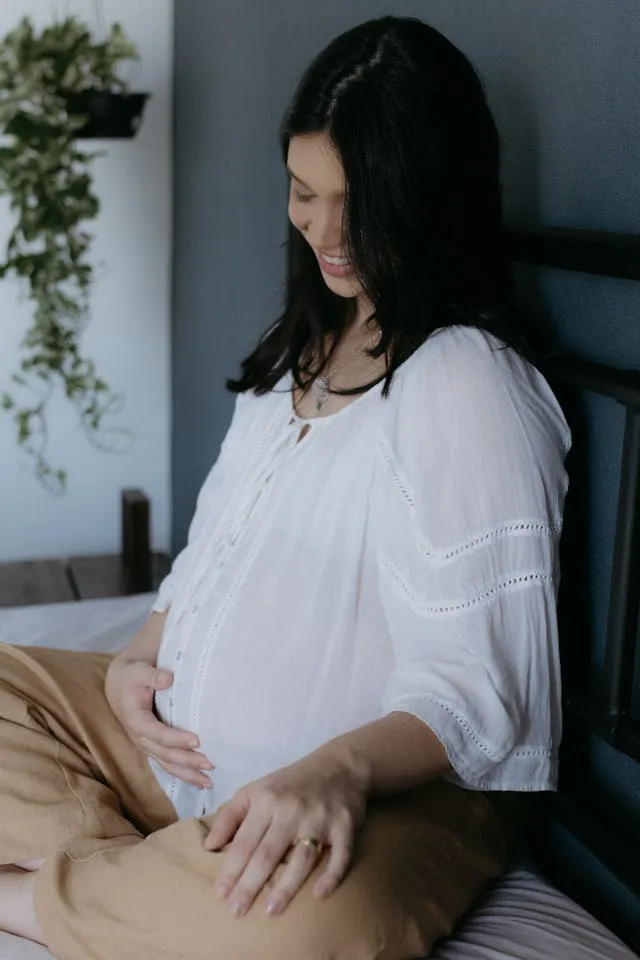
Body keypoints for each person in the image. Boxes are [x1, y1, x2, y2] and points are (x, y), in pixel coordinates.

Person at [0, 15, 570, 960]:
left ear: (431, 197)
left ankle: (40, 898)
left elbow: (482, 683)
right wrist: (142, 657)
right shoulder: (299, 351)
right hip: (181, 766)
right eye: (306, 193)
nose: (327, 232)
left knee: (310, 925)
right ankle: (150, 884)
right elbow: (209, 551)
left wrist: (337, 769)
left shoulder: (465, 378)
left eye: (362, 202)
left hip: (377, 795)